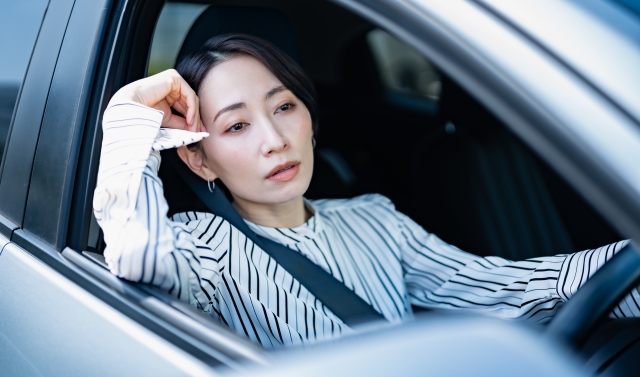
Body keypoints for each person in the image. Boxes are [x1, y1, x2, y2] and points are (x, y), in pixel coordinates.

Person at [94, 34, 640, 349]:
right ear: (197, 157)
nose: (275, 140)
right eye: (237, 126)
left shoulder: (373, 218)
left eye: (284, 106)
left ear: (310, 116)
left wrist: (626, 266)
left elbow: (501, 288)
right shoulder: (199, 246)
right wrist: (127, 119)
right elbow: (139, 263)